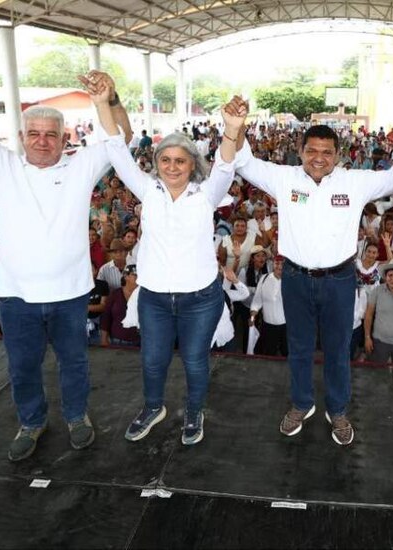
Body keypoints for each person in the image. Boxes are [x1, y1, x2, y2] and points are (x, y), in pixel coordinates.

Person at [0, 69, 122, 462]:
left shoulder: (82, 166)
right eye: (34, 134)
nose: (42, 141)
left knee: (75, 363)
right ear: (21, 137)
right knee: (22, 368)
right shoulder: (2, 165)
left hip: (70, 295)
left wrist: (109, 99)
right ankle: (32, 422)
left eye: (51, 135)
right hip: (16, 297)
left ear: (64, 139)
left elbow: (119, 135)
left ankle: (76, 416)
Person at [232, 119, 393, 446]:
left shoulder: (354, 182)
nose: (319, 158)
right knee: (298, 346)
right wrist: (237, 127)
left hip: (339, 280)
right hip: (295, 278)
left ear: (338, 155)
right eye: (312, 150)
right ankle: (302, 404)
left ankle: (337, 410)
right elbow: (243, 162)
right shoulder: (284, 177)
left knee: (338, 348)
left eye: (327, 152)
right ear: (300, 151)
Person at [98, 88, 247, 446]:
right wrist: (103, 102)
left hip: (201, 299)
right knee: (152, 361)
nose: (172, 167)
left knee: (195, 361)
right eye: (165, 160)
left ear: (193, 164)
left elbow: (226, 163)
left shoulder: (207, 194)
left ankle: (194, 412)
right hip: (154, 298)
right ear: (157, 163)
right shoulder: (147, 190)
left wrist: (232, 128)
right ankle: (153, 407)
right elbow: (116, 150)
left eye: (180, 161)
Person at [251, 256, 287, 356]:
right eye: (277, 263)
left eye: (282, 264)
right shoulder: (264, 278)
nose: (279, 266)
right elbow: (257, 301)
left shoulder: (291, 281)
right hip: (268, 326)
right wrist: (252, 317)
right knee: (269, 354)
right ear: (272, 264)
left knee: (287, 354)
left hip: (287, 327)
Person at [100, 264, 140, 347]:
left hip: (141, 340)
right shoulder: (115, 294)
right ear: (126, 276)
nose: (138, 278)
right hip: (117, 340)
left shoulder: (144, 295)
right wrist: (104, 339)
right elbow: (106, 317)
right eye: (135, 275)